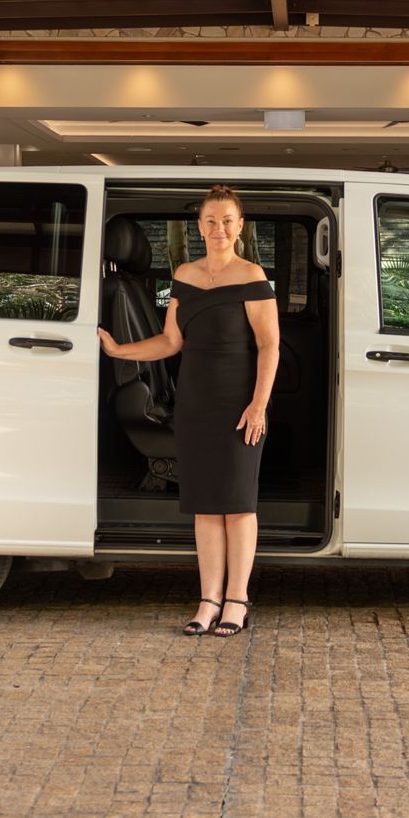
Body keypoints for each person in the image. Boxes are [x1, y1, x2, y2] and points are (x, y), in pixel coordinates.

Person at [98, 186, 278, 637]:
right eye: (210, 221)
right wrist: (120, 350)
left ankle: (236, 601)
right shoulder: (184, 275)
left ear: (240, 226)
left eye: (227, 220)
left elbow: (269, 344)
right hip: (195, 404)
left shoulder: (252, 274)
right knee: (203, 507)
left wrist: (259, 404)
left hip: (240, 405)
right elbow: (171, 342)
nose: (219, 228)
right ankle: (207, 600)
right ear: (199, 227)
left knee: (237, 505)